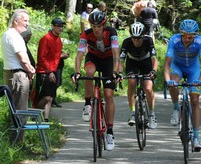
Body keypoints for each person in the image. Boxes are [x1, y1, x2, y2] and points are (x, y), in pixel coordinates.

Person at [71, 11, 121, 151]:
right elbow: (80, 54)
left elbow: (116, 54)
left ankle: (110, 132)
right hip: (93, 59)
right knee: (89, 73)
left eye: (98, 26)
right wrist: (77, 71)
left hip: (109, 61)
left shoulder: (111, 32)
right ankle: (87, 104)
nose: (96, 29)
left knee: (109, 96)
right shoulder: (86, 34)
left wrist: (116, 72)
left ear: (104, 25)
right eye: (93, 26)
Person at [163, 19, 201, 152]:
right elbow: (166, 64)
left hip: (193, 69)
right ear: (180, 34)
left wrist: (200, 79)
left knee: (195, 100)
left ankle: (196, 138)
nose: (188, 39)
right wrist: (167, 80)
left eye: (191, 36)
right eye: (185, 36)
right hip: (177, 67)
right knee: (174, 82)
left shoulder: (200, 41)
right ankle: (176, 108)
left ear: (195, 35)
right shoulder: (174, 40)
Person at [119, 22, 158, 129]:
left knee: (148, 88)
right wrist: (120, 73)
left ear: (143, 36)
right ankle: (132, 112)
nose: (136, 41)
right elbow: (121, 61)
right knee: (131, 82)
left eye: (139, 38)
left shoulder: (148, 40)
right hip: (132, 62)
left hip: (146, 61)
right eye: (134, 38)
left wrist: (154, 71)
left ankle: (151, 114)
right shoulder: (126, 42)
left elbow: (154, 59)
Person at [1, 9, 36, 114]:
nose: (27, 24)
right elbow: (23, 58)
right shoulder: (14, 36)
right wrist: (30, 70)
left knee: (14, 109)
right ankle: (17, 130)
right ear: (16, 21)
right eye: (25, 21)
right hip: (18, 76)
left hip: (11, 74)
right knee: (20, 111)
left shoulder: (8, 34)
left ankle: (13, 130)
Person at [35, 18, 70, 122]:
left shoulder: (58, 40)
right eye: (58, 26)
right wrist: (49, 72)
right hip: (44, 72)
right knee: (45, 98)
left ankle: (45, 119)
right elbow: (41, 57)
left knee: (50, 98)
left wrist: (63, 55)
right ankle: (37, 114)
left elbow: (55, 55)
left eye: (62, 26)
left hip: (54, 71)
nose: (60, 28)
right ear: (53, 26)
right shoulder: (46, 39)